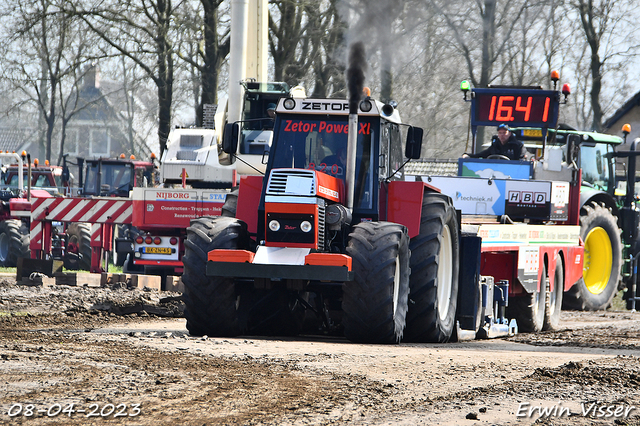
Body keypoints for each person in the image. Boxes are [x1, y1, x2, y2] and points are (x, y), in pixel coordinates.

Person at [462, 124, 526, 161]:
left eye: (504, 133)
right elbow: (482, 155)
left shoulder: (518, 146)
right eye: (500, 133)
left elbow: (521, 161)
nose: (502, 135)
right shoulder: (495, 145)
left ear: (509, 134)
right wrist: (468, 156)